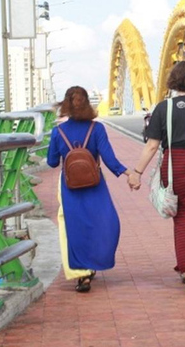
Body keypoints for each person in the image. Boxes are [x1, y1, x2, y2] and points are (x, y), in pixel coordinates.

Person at [129, 61, 185, 296]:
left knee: (180, 217)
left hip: (175, 165)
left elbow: (152, 146)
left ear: (174, 81)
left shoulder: (163, 108)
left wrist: (137, 173)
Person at [47, 86, 133, 293]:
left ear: (65, 104)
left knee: (75, 227)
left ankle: (82, 275)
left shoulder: (58, 132)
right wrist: (129, 173)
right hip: (95, 184)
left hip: (69, 186)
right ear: (87, 104)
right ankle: (95, 262)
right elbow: (110, 160)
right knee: (104, 223)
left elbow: (51, 162)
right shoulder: (97, 129)